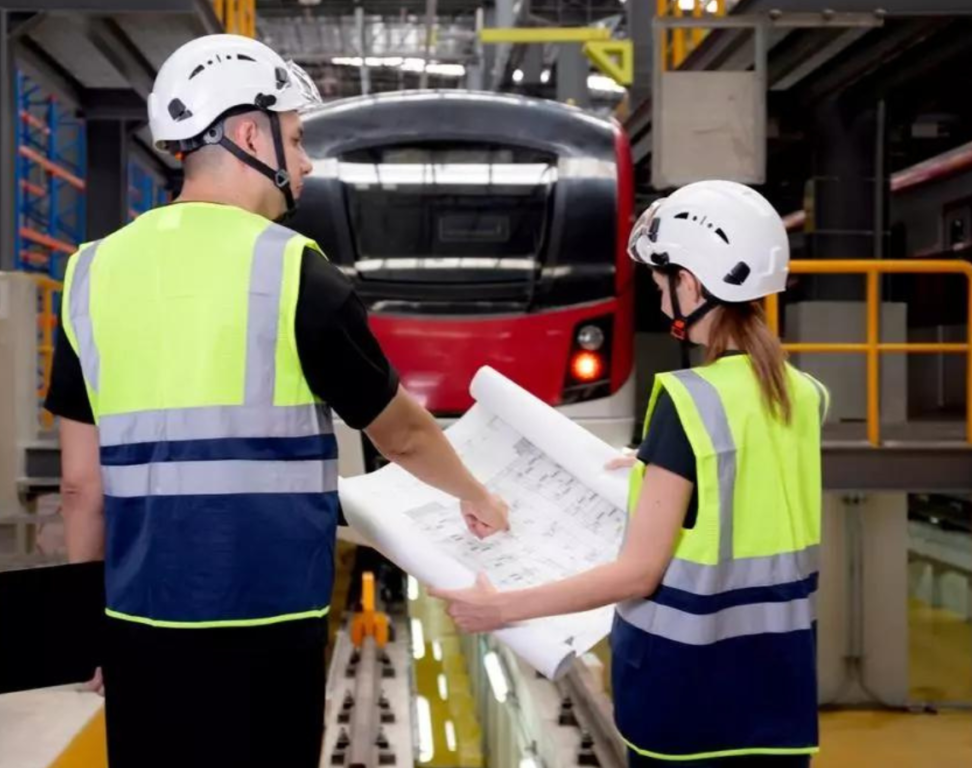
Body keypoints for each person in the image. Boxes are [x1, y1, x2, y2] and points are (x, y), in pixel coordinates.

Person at [44, 33, 508, 768]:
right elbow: (403, 435)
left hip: (137, 618)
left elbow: (79, 487)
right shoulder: (293, 269)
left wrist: (83, 626)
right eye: (293, 138)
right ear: (249, 133)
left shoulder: (89, 275)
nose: (305, 161)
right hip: (268, 622)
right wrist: (478, 494)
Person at [432, 180, 829, 767]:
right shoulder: (803, 396)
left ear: (690, 283)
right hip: (780, 697)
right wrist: (657, 460)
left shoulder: (688, 402)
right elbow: (744, 489)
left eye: (659, 275)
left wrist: (502, 609)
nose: (656, 290)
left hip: (688, 704)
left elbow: (638, 575)